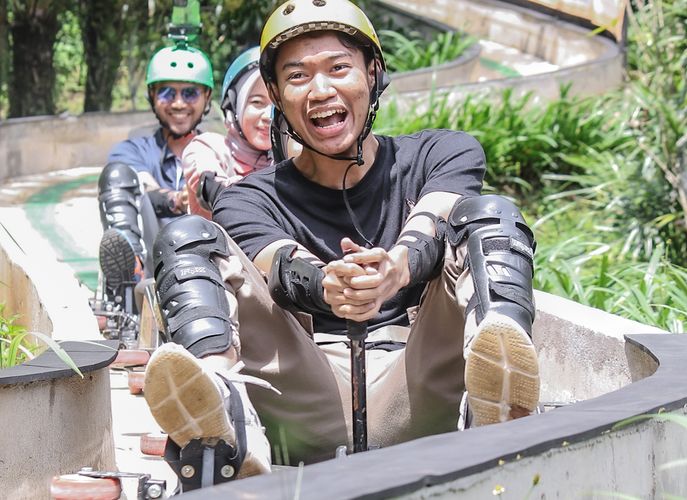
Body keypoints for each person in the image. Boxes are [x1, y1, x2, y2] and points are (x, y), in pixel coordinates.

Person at [142, 0, 540, 490]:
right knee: (185, 237)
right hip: (303, 396)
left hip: (416, 385)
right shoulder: (249, 197)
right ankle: (221, 410)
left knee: (489, 215)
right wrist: (327, 283)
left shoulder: (441, 153)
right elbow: (280, 265)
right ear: (275, 94)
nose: (321, 90)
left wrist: (397, 267)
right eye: (298, 76)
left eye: (338, 68)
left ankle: (498, 404)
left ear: (372, 74)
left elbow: (433, 218)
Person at [96, 43, 213, 319]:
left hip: (208, 259)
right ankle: (127, 284)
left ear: (207, 97)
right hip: (151, 261)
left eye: (190, 93)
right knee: (116, 175)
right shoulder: (133, 149)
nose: (178, 103)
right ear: (152, 95)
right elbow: (143, 186)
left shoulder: (217, 151)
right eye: (166, 92)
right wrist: (178, 199)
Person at [181, 46, 273, 220]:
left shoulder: (293, 157)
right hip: (218, 246)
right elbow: (209, 184)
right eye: (257, 102)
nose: (269, 116)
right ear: (233, 107)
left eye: (277, 104)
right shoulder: (208, 148)